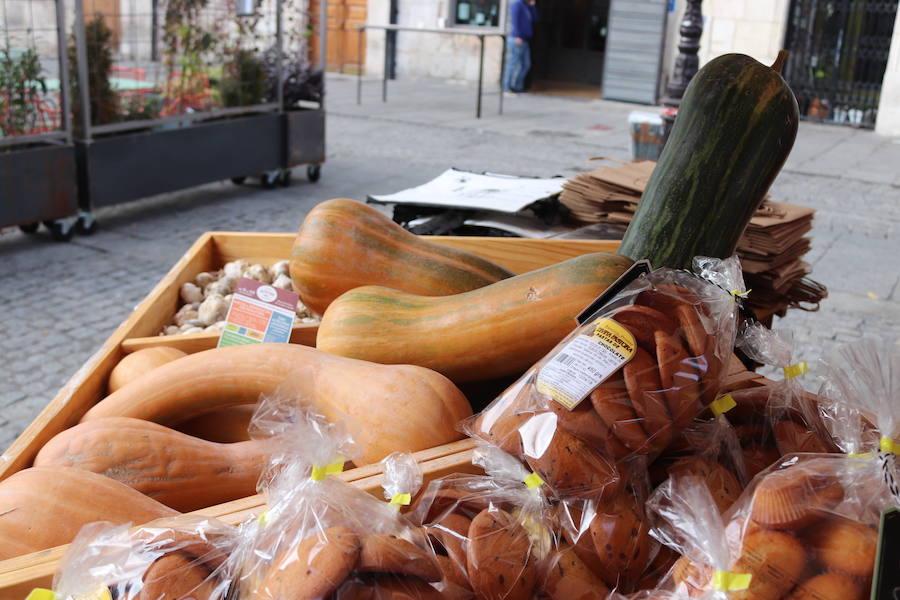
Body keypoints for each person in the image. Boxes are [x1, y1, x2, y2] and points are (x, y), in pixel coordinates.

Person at [503, 0, 538, 93]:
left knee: (526, 65)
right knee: (512, 64)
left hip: (525, 39)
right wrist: (518, 36)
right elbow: (515, 20)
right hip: (516, 39)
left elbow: (534, 19)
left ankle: (517, 87)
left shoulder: (526, 6)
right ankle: (506, 87)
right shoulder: (517, 4)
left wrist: (532, 6)